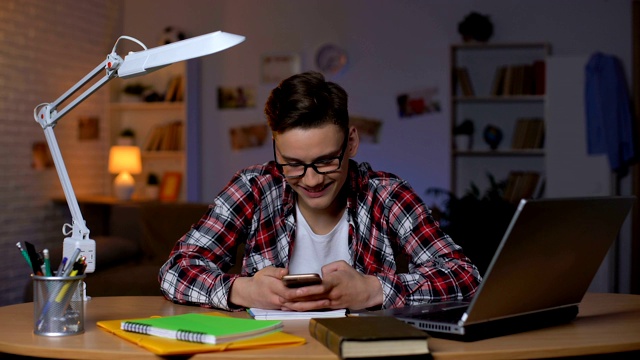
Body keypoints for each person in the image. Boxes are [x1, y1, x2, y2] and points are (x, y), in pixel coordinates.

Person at [159, 71, 481, 311]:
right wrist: (242, 291)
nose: (311, 181)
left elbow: (464, 276)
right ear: (276, 148)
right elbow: (175, 269)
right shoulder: (253, 188)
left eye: (326, 162)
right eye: (293, 163)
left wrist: (373, 289)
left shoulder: (387, 194)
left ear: (351, 143)